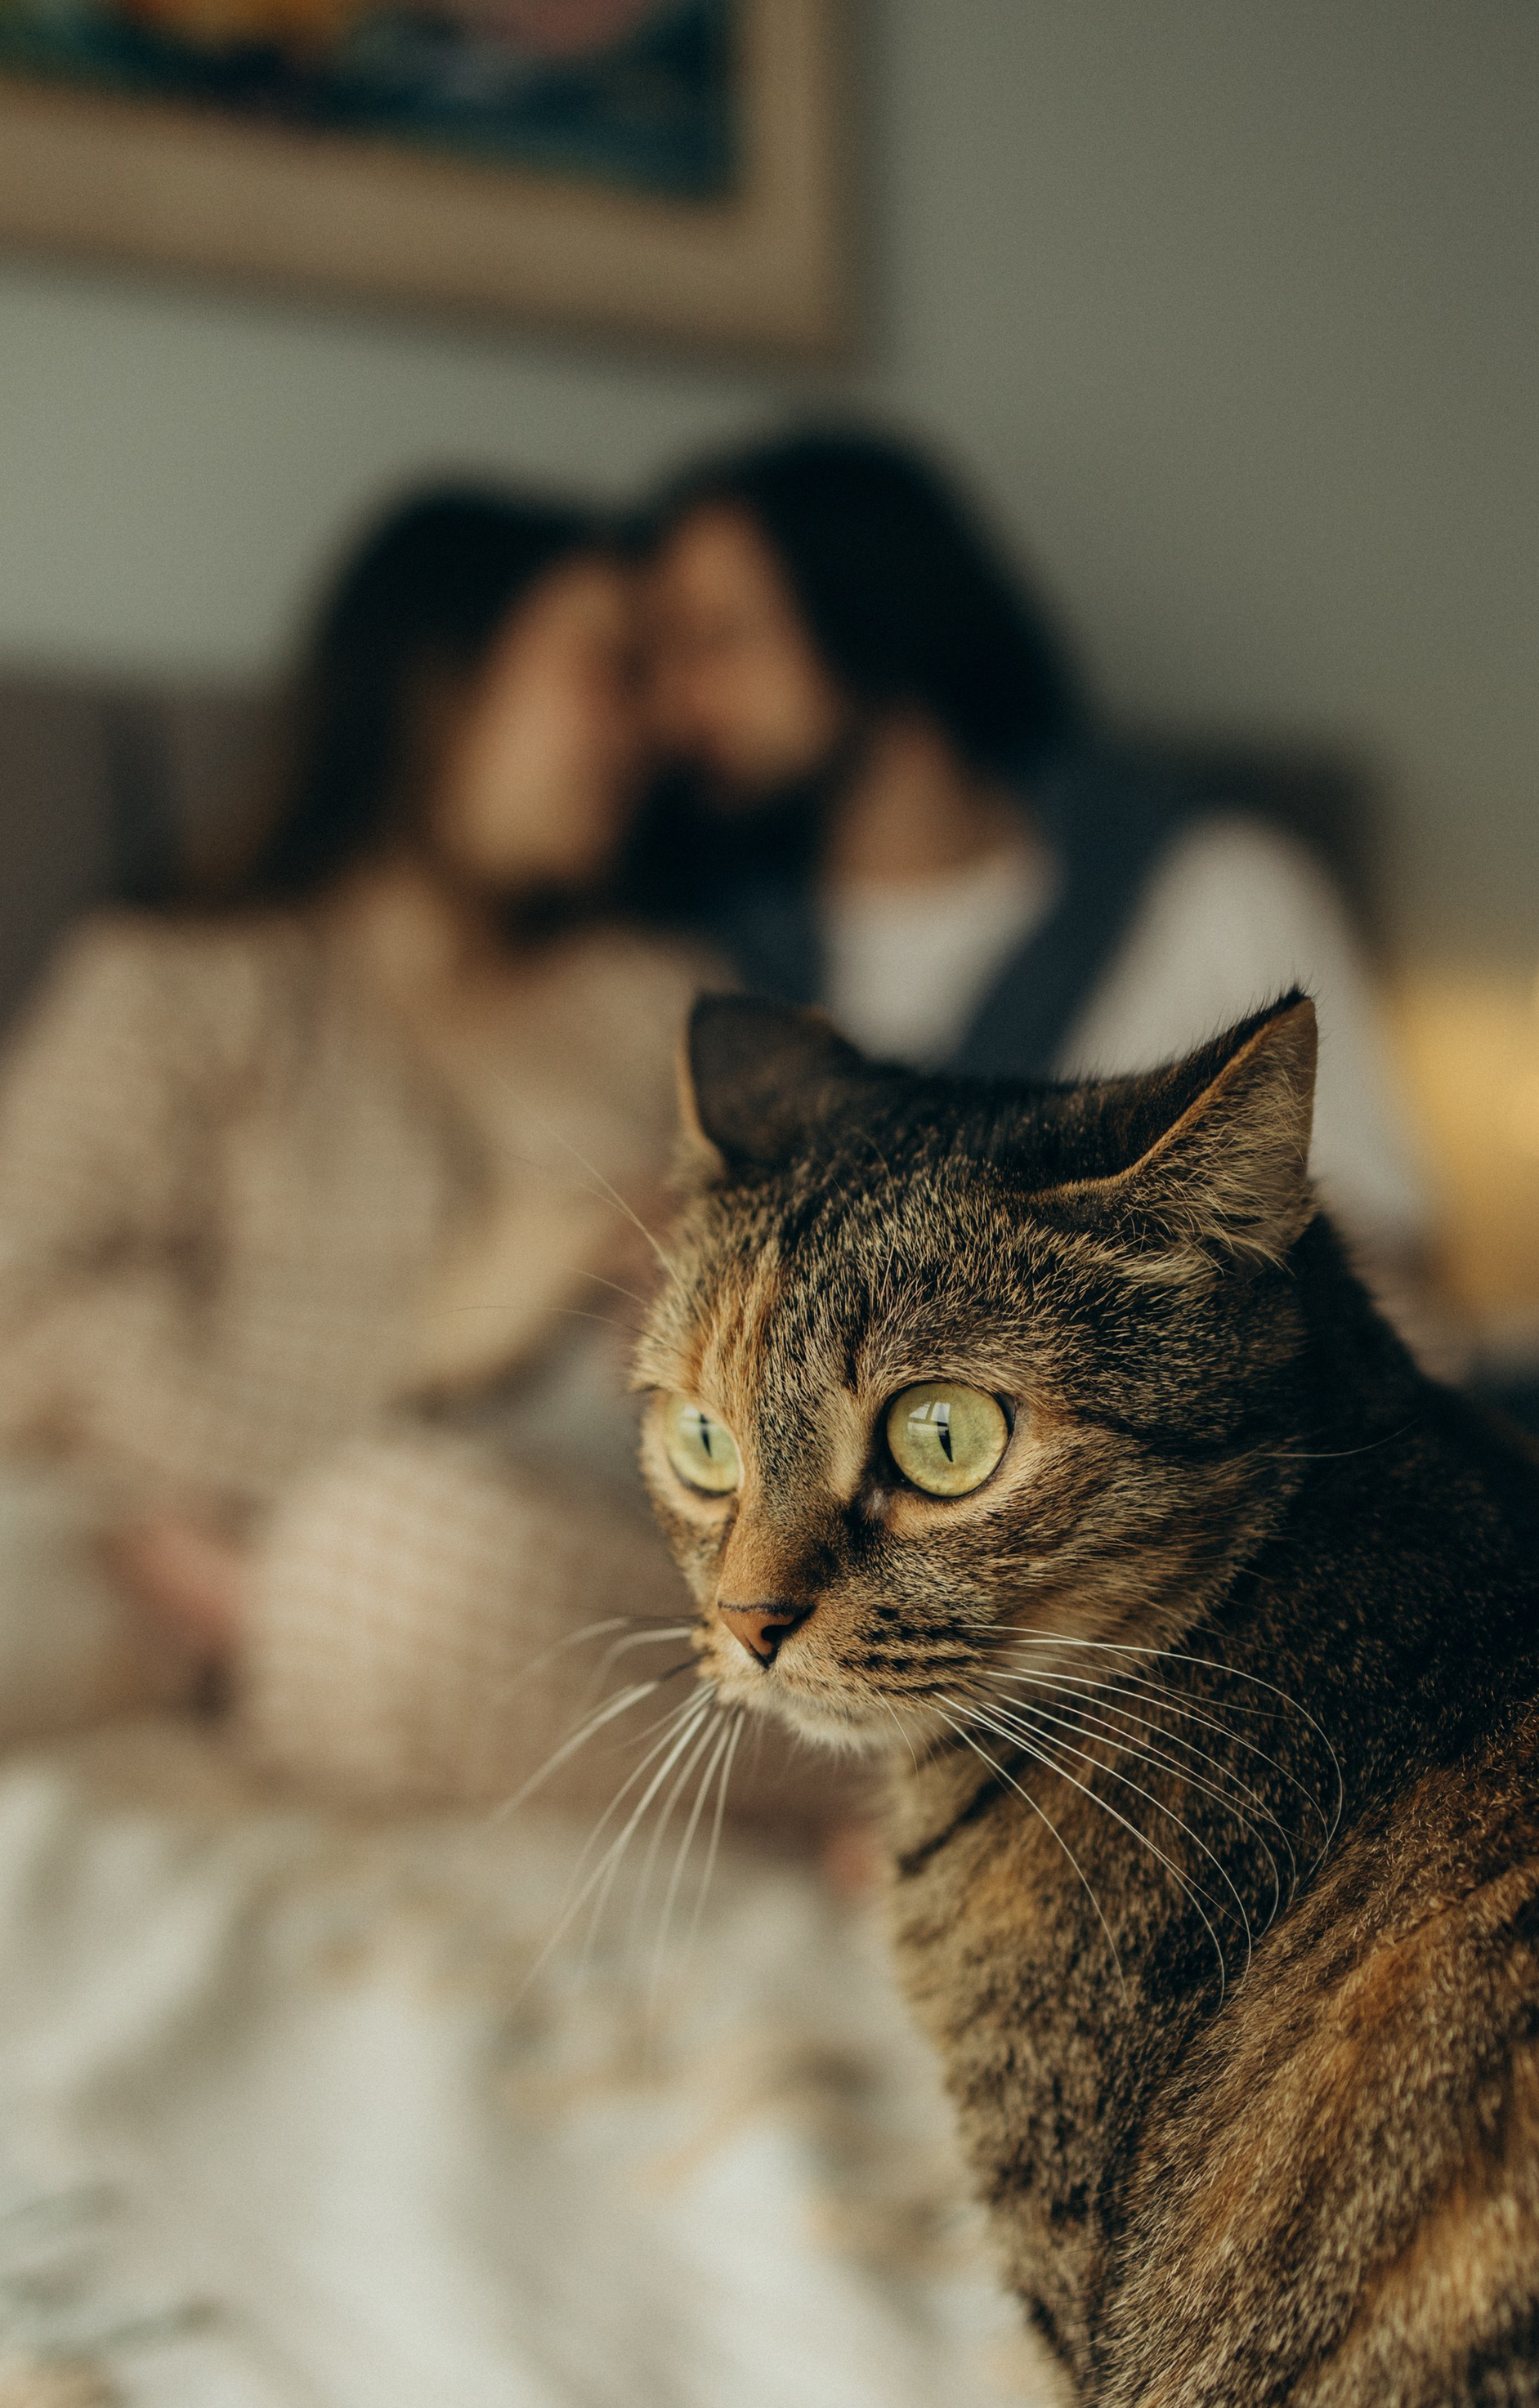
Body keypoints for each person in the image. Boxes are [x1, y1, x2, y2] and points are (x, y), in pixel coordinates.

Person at [0, 485, 713, 1808]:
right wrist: (420, 1343)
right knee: (354, 1569)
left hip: (590, 1564)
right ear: (443, 684)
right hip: (247, 1579)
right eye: (611, 671)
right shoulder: (180, 987)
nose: (655, 728)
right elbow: (19, 1314)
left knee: (396, 1567)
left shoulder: (667, 1007)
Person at [623, 424, 1431, 1280]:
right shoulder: (701, 972)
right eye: (657, 660)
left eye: (718, 638)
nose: (676, 704)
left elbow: (1385, 1249)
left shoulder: (1216, 889)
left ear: (870, 606)